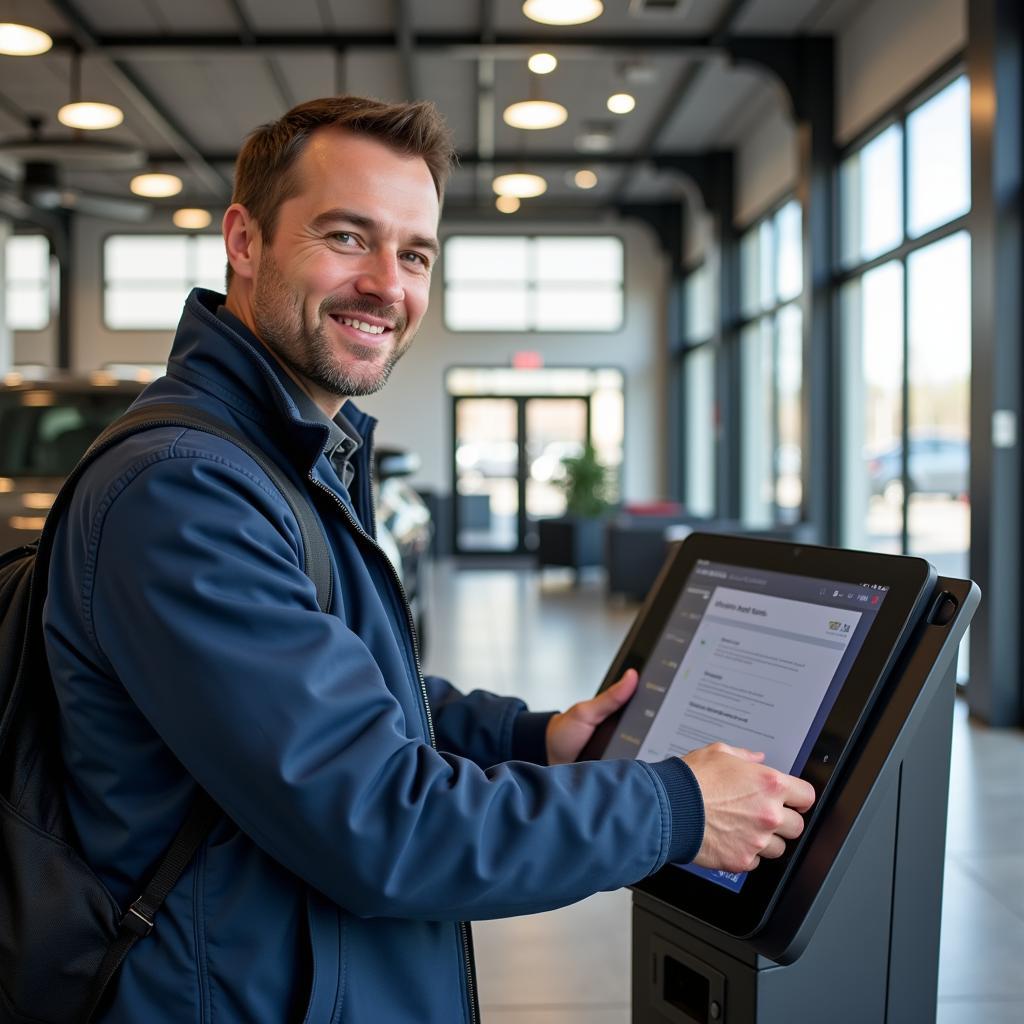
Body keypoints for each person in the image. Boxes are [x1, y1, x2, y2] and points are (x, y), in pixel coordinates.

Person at [44, 96, 815, 1023]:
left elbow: (339, 697)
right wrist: (675, 809)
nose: (386, 284)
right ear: (244, 240)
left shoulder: (279, 458)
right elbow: (384, 823)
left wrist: (531, 740)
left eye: (414, 254)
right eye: (345, 236)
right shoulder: (185, 490)